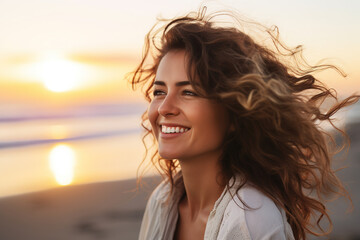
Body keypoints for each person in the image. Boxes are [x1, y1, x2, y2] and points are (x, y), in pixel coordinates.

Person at [131, 7, 359, 240]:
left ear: (233, 113)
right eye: (159, 91)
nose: (164, 108)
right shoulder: (162, 201)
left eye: (189, 92)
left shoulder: (252, 221)